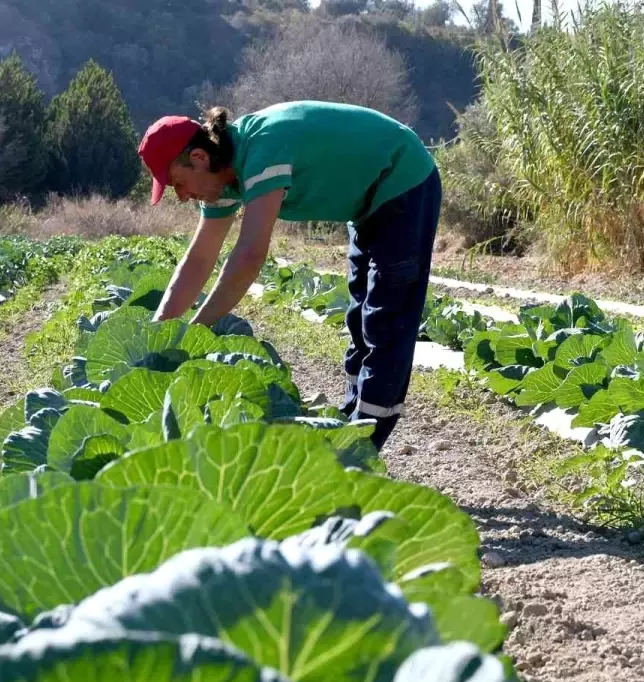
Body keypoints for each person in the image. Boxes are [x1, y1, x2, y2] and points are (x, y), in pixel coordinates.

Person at [137, 100, 441, 451]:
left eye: (177, 183)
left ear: (199, 158)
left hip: (402, 179)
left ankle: (364, 446)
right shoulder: (222, 178)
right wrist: (160, 334)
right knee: (360, 317)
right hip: (366, 202)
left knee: (387, 318)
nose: (181, 196)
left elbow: (249, 257)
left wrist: (195, 332)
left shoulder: (262, 149)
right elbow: (199, 259)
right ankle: (348, 426)